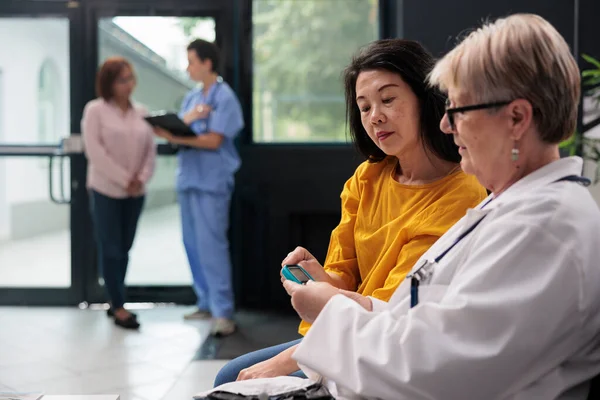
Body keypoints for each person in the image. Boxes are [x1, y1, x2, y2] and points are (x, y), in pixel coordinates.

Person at [271, 14, 600, 400]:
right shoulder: (511, 206)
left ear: (516, 118)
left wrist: (331, 311)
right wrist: (345, 302)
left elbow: (429, 371)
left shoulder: (543, 230)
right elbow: (423, 320)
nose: (445, 124)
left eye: (459, 110)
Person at [213, 39, 487, 385]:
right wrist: (316, 276)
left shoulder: (460, 193)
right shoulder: (367, 177)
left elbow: (393, 313)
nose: (376, 117)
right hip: (343, 327)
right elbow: (343, 276)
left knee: (238, 378)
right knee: (231, 375)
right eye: (364, 106)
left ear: (425, 97)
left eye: (388, 99)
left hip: (389, 344)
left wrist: (286, 361)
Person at [153, 39, 244, 336]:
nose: (188, 67)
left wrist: (179, 136)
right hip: (189, 179)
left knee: (211, 246)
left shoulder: (225, 97)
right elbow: (177, 131)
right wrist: (180, 127)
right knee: (191, 244)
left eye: (191, 61)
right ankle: (205, 301)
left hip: (212, 183)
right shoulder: (192, 98)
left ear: (207, 63)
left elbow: (214, 140)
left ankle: (223, 312)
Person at [82, 57, 156, 330]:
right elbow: (95, 152)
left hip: (135, 194)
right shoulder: (95, 111)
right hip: (106, 190)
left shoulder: (142, 112)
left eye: (131, 78)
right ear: (109, 83)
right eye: (122, 79)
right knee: (110, 248)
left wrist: (141, 178)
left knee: (124, 248)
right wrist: (125, 179)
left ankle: (116, 299)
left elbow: (150, 151)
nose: (129, 84)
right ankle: (118, 305)